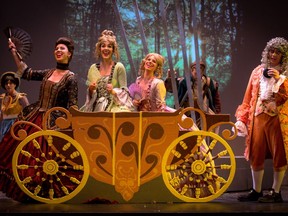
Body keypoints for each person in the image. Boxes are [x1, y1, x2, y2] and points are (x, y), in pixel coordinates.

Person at [0, 36, 78, 202]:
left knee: (44, 157)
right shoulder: (48, 72)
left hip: (52, 121)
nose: (58, 50)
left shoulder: (70, 78)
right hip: (34, 116)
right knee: (16, 150)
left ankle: (39, 190)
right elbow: (26, 72)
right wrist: (14, 51)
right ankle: (24, 188)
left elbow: (72, 105)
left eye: (62, 48)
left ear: (69, 54)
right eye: (56, 48)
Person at [235, 37, 288, 203]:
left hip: (278, 120)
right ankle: (256, 190)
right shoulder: (257, 71)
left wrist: (280, 79)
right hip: (258, 117)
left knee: (279, 154)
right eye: (271, 51)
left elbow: (285, 96)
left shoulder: (286, 73)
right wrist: (242, 119)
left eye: (278, 52)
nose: (273, 55)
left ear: (284, 56)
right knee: (256, 154)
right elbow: (248, 96)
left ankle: (276, 191)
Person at [80, 30, 133, 112]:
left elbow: (125, 92)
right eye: (103, 46)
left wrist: (113, 91)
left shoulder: (119, 67)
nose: (106, 49)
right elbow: (91, 96)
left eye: (109, 46)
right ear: (99, 48)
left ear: (113, 49)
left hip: (114, 106)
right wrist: (90, 89)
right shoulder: (93, 68)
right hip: (96, 106)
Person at [177, 61, 221, 128]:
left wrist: (217, 114)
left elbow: (216, 101)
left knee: (207, 132)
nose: (196, 71)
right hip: (188, 114)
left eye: (199, 68)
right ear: (192, 70)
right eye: (194, 68)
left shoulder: (209, 83)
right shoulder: (185, 82)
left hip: (204, 114)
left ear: (202, 71)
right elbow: (178, 97)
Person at [0, 71, 29, 142]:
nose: (8, 85)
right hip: (4, 125)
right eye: (6, 83)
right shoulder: (2, 97)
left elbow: (29, 112)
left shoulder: (21, 97)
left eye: (11, 83)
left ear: (15, 84)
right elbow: (1, 114)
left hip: (16, 125)